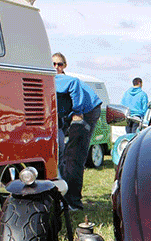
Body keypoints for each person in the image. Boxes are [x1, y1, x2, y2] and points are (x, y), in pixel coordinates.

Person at [52, 52, 102, 211]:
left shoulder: (60, 79)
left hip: (86, 111)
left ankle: (73, 203)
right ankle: (63, 196)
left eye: (59, 64)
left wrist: (77, 112)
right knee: (63, 156)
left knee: (74, 157)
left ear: (64, 66)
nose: (56, 67)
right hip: (70, 115)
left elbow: (74, 84)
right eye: (53, 64)